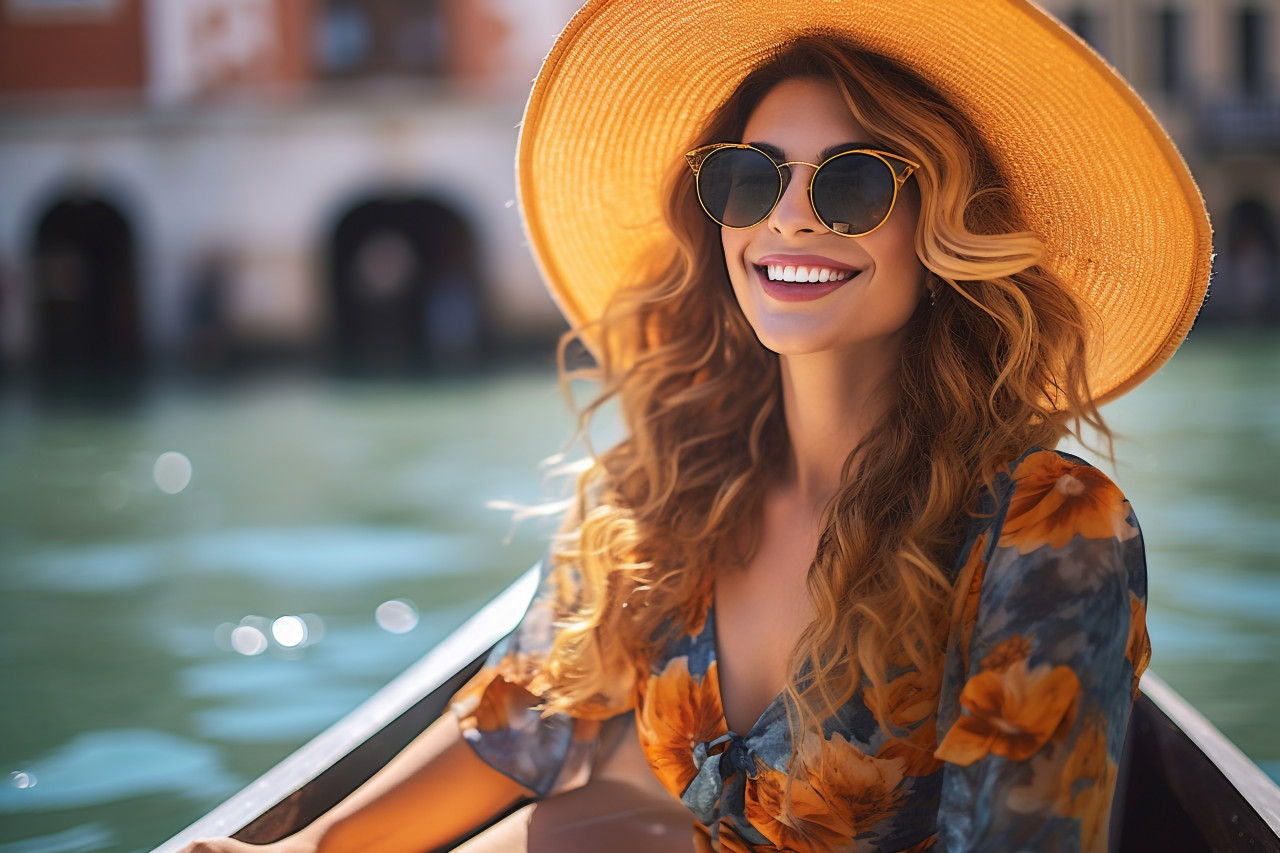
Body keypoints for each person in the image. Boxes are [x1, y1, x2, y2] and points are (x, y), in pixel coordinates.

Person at [179, 1, 1211, 851]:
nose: (789, 217)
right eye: (748, 177)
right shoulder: (660, 487)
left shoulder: (1047, 527)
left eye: (852, 182)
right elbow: (522, 726)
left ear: (942, 225)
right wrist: (296, 852)